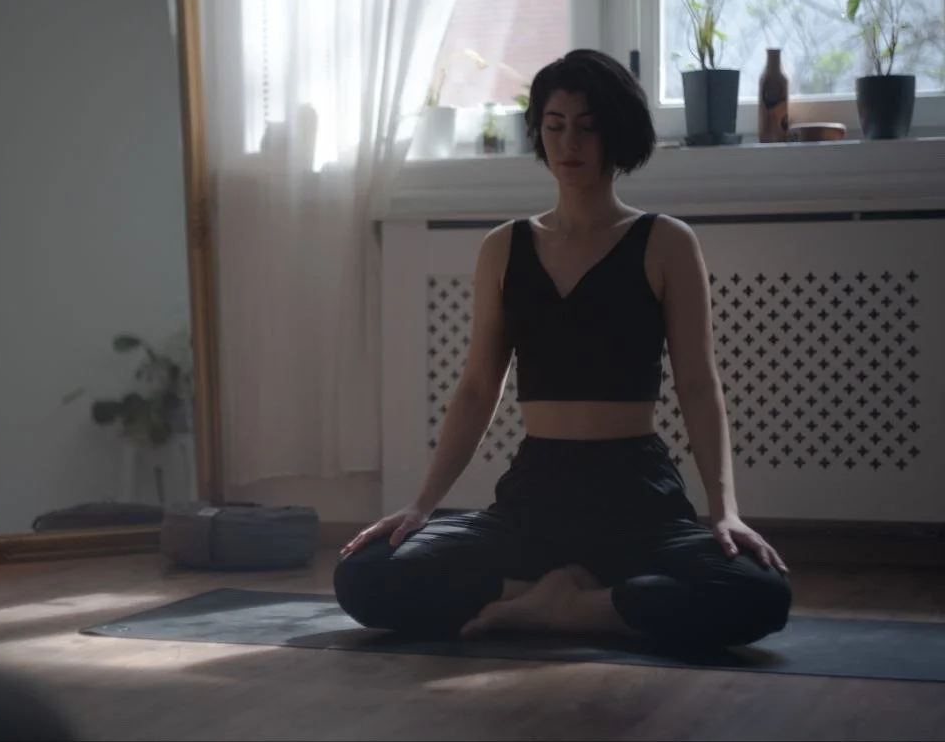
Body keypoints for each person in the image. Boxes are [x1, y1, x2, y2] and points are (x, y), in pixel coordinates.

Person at [334, 49, 792, 649]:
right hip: (535, 496)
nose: (568, 142)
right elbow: (477, 387)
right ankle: (586, 603)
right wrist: (421, 506)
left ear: (616, 133)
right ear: (539, 135)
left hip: (638, 499)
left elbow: (699, 385)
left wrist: (724, 511)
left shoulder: (666, 243)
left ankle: (559, 607)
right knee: (363, 575)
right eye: (554, 126)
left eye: (587, 125)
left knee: (759, 590)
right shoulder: (504, 248)